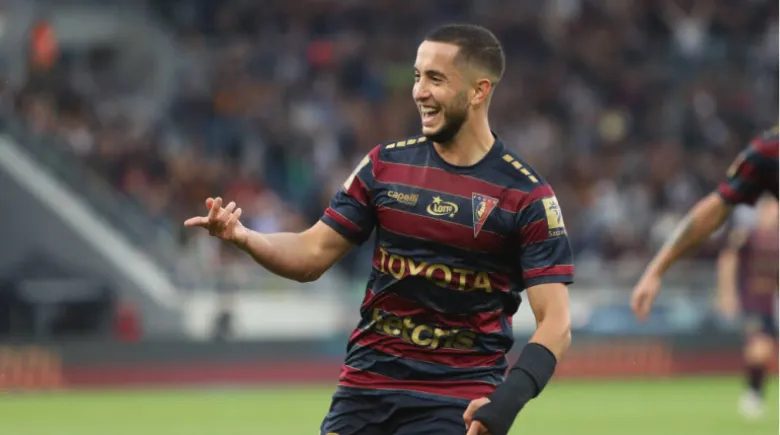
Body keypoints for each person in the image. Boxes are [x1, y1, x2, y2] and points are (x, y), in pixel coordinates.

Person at [186, 24, 574, 435]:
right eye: (417, 76)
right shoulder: (383, 166)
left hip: (457, 400)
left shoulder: (527, 196)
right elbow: (311, 254)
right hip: (364, 391)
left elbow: (556, 322)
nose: (419, 91)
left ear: (479, 91)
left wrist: (507, 400)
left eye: (436, 79)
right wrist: (245, 237)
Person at [716, 196, 778, 419]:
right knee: (758, 348)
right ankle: (752, 395)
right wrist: (727, 293)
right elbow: (727, 259)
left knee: (766, 351)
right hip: (751, 302)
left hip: (772, 304)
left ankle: (755, 393)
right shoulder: (747, 235)